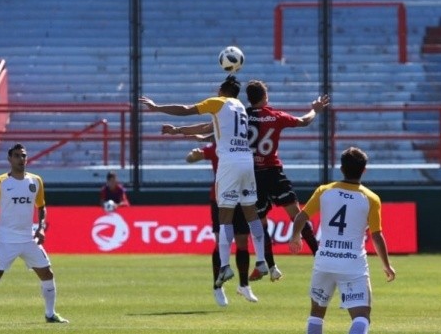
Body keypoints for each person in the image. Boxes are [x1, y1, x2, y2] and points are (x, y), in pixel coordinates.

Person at [139, 75, 268, 288]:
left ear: (222, 91)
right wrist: (178, 131)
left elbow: (186, 109)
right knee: (250, 212)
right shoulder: (239, 108)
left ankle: (224, 266)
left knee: (224, 216)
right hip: (246, 161)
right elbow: (208, 128)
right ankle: (262, 261)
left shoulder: (217, 102)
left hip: (229, 163)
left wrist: (157, 107)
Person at [289, 146, 396, 334]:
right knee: (362, 314)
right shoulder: (371, 198)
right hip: (352, 264)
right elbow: (377, 235)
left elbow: (301, 216)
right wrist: (386, 265)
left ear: (341, 168)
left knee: (317, 313)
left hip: (325, 261)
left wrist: (295, 236)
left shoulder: (324, 191)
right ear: (364, 170)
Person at [0, 143, 68, 326]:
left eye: (24, 156)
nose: (21, 159)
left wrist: (41, 227)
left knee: (47, 274)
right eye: (17, 156)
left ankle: (50, 314)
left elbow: (41, 207)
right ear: (10, 159)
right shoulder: (0, 182)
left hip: (28, 238)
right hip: (5, 239)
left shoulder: (35, 181)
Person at [245, 80, 329, 281]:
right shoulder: (276, 116)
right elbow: (304, 121)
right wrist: (315, 110)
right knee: (297, 215)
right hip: (274, 173)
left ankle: (271, 267)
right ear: (265, 97)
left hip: (252, 175)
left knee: (260, 223)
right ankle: (320, 259)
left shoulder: (242, 117)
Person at [185, 141, 258, 306]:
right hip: (220, 199)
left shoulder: (243, 145)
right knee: (221, 242)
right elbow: (189, 159)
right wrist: (193, 155)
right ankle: (217, 286)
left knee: (242, 242)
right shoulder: (217, 147)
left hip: (242, 198)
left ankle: (244, 285)